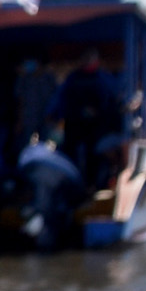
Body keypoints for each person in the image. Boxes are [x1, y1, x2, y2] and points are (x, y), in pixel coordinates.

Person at [52, 49, 124, 193]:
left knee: (93, 157)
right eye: (86, 59)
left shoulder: (103, 77)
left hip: (95, 126)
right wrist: (53, 115)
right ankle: (68, 186)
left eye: (91, 59)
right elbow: (60, 98)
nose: (88, 62)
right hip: (74, 123)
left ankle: (92, 187)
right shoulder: (73, 78)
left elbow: (114, 99)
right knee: (69, 154)